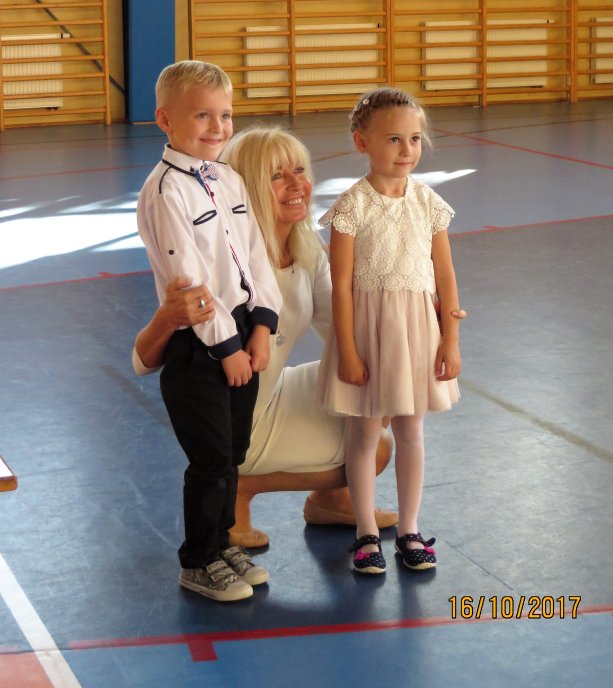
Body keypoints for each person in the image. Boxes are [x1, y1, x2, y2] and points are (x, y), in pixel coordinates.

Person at [134, 126, 397, 550]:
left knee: (378, 382)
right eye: (276, 176)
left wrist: (412, 319)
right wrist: (167, 319)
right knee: (375, 448)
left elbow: (344, 328)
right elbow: (142, 362)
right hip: (236, 415)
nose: (297, 184)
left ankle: (331, 500)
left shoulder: (306, 248)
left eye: (300, 170)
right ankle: (237, 485)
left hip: (273, 391)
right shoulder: (224, 263)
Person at [136, 60, 282, 603]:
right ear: (165, 120)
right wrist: (226, 349)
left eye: (225, 115)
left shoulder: (228, 178)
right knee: (211, 458)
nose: (218, 127)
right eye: (202, 115)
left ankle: (223, 545)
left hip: (243, 335)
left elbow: (256, 258)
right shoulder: (165, 191)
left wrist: (262, 326)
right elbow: (190, 285)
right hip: (200, 346)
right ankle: (198, 560)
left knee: (234, 452)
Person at [317, 87, 465, 575]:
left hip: (418, 331)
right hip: (368, 331)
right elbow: (341, 287)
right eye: (394, 139)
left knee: (411, 430)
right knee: (363, 432)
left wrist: (450, 339)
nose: (407, 150)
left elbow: (445, 278)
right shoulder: (351, 207)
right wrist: (348, 351)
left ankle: (409, 528)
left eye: (415, 139)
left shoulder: (429, 203)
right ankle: (365, 530)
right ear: (362, 142)